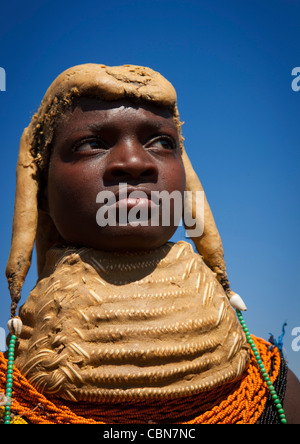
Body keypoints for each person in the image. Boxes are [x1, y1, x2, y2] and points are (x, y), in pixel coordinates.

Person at [1, 64, 299, 424]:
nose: (134, 162)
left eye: (161, 143)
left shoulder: (268, 379)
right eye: (91, 144)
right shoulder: (11, 395)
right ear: (43, 189)